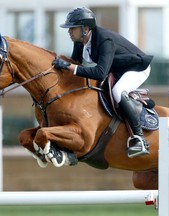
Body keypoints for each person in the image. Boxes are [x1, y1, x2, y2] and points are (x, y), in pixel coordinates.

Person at [52, 7, 153, 157]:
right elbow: (75, 63)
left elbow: (99, 73)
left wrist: (69, 66)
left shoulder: (105, 40)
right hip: (117, 69)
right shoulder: (80, 41)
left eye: (73, 28)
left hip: (137, 68)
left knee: (117, 91)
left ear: (85, 28)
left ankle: (139, 139)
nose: (69, 31)